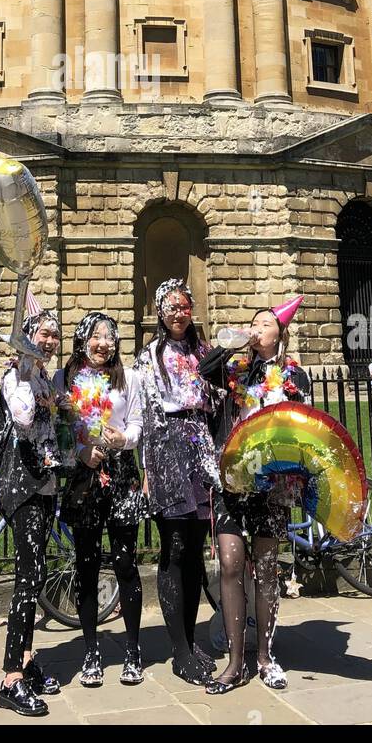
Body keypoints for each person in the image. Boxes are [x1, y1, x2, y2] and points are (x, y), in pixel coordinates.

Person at [200, 296, 305, 693]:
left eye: (264, 323)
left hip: (271, 486)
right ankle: (234, 662)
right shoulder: (236, 370)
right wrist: (232, 341)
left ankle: (264, 656)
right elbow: (203, 369)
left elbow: (303, 425)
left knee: (265, 570)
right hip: (232, 479)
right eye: (253, 323)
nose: (257, 327)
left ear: (281, 333)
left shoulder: (294, 375)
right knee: (230, 564)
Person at [135, 278, 220, 686]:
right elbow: (147, 415)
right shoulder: (149, 355)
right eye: (171, 307)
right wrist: (148, 472)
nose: (179, 313)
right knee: (175, 544)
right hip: (167, 447)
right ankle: (180, 651)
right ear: (159, 312)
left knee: (196, 549)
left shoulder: (203, 353)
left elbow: (217, 402)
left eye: (184, 306)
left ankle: (191, 638)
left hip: (200, 448)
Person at [53, 312, 145, 686]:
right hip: (83, 477)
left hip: (121, 474)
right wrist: (79, 452)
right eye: (95, 336)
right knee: (87, 564)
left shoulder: (130, 378)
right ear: (82, 340)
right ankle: (91, 651)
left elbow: (139, 423)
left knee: (125, 563)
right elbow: (58, 431)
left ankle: (133, 650)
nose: (102, 343)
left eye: (109, 337)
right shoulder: (64, 379)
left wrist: (125, 439)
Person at [0, 310, 64, 718]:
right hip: (22, 486)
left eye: (55, 334)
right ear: (27, 338)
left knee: (35, 574)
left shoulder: (39, 378)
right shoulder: (16, 378)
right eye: (44, 333)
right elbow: (22, 418)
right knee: (26, 578)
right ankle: (9, 679)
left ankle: (25, 657)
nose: (52, 340)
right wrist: (27, 375)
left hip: (44, 485)